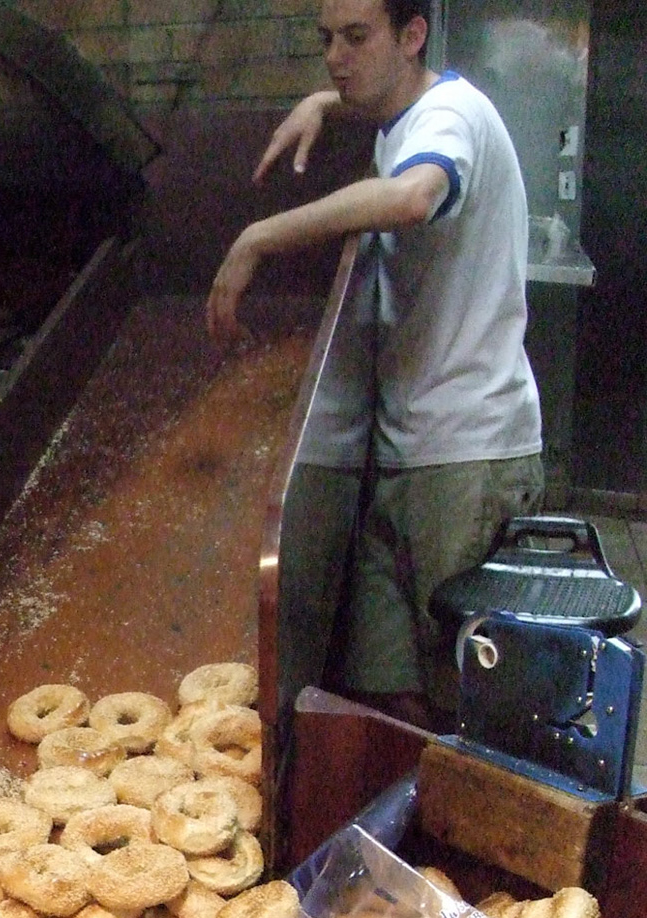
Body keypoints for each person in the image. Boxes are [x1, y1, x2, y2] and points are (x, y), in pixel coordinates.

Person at [207, 0, 543, 729]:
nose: (336, 56)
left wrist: (258, 237)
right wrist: (323, 102)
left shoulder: (451, 116)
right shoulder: (405, 115)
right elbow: (379, 105)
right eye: (327, 40)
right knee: (387, 687)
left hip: (467, 451)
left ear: (412, 35)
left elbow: (414, 197)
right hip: (402, 447)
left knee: (464, 702)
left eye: (358, 38)